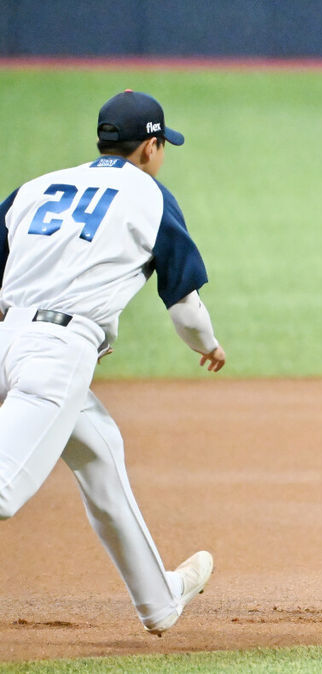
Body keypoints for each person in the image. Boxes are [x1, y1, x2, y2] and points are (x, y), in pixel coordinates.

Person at [0, 90, 225, 635]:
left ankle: (160, 600)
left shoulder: (33, 188)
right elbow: (185, 305)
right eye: (162, 144)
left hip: (9, 337)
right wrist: (208, 347)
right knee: (4, 490)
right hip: (54, 357)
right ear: (150, 146)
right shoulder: (149, 196)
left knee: (100, 454)